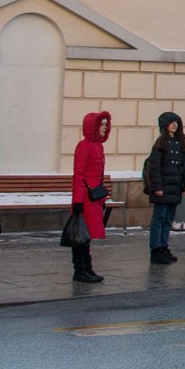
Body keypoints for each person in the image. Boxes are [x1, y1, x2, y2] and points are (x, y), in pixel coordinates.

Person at [145, 111, 185, 264]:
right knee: (159, 219)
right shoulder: (160, 143)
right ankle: (156, 249)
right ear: (165, 125)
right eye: (172, 122)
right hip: (163, 188)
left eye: (176, 123)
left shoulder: (180, 143)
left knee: (168, 220)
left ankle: (164, 246)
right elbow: (155, 168)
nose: (175, 125)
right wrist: (157, 187)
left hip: (174, 188)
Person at [70, 111, 112, 283]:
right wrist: (78, 201)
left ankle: (87, 268)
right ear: (93, 126)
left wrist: (101, 198)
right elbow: (79, 176)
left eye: (105, 124)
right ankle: (80, 270)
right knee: (81, 235)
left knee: (87, 236)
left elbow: (97, 175)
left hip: (93, 198)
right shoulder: (84, 146)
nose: (104, 127)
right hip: (85, 199)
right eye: (101, 124)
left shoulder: (98, 146)